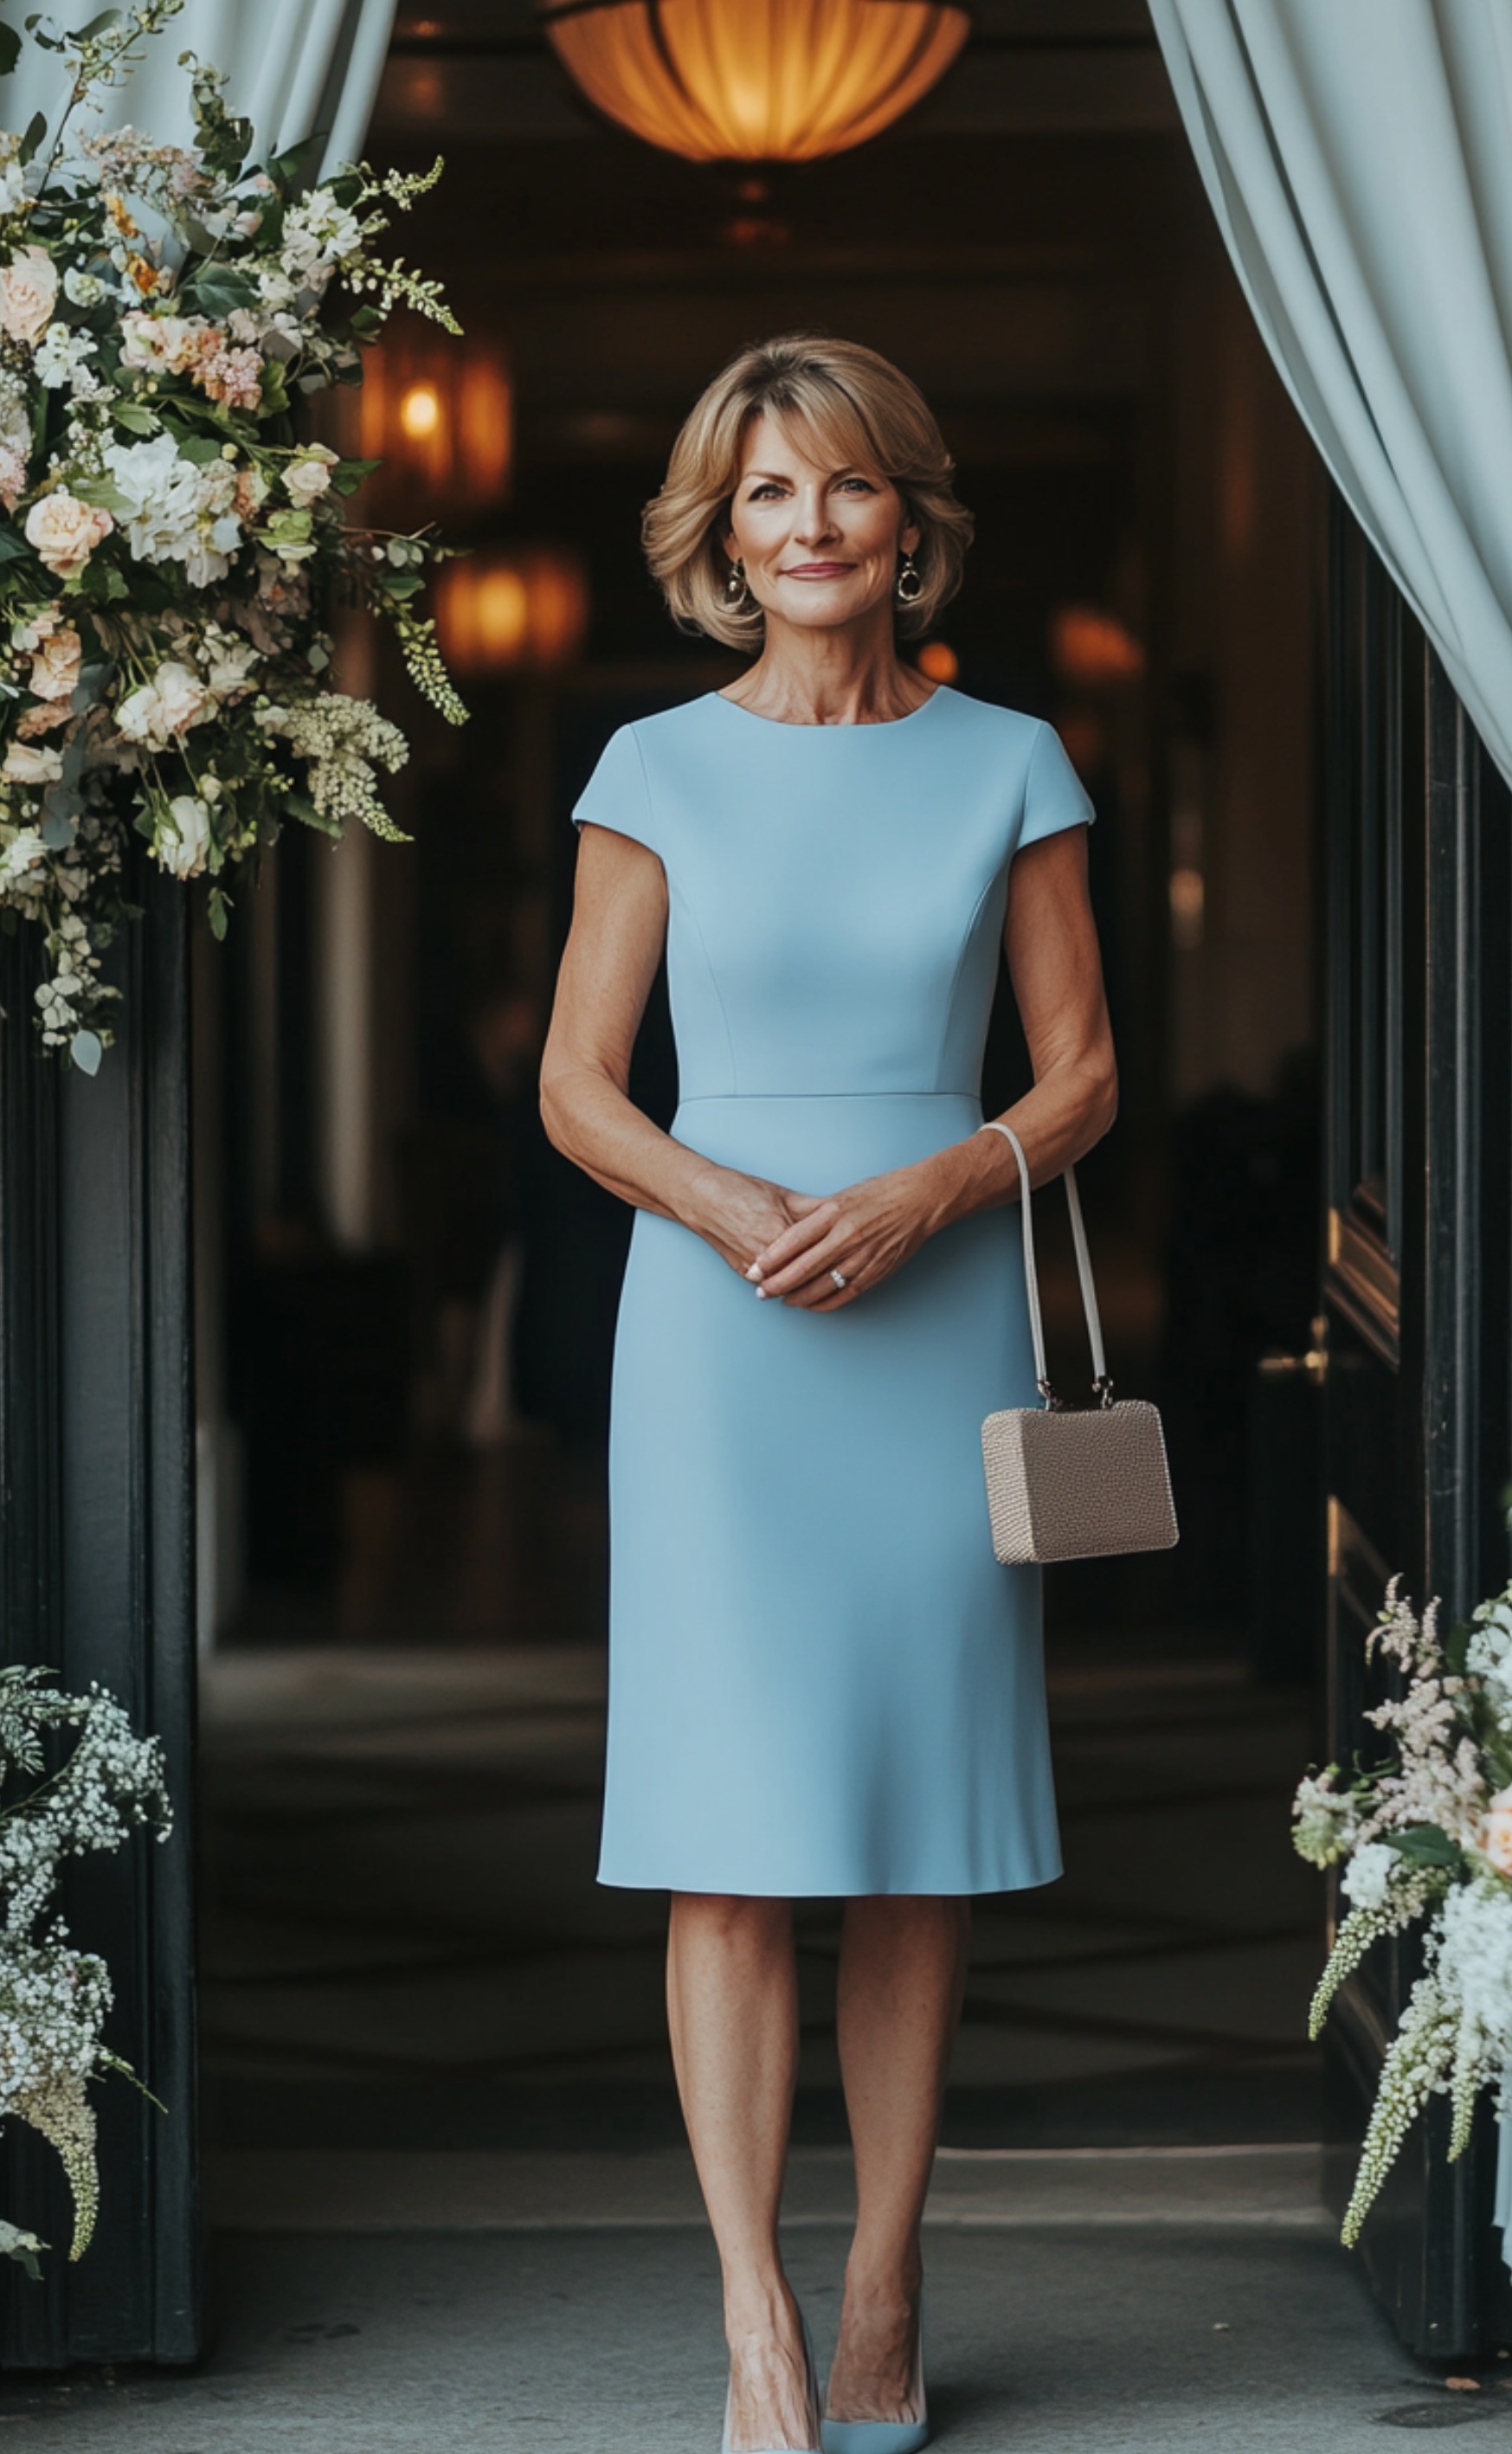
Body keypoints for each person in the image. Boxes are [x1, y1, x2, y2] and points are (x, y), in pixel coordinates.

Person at [540, 333, 1117, 2454]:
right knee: (726, 1843)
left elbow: (1082, 1075)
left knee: (910, 1841)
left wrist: (941, 1179)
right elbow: (575, 1085)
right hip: (717, 1343)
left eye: (846, 491)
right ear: (721, 532)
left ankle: (883, 2286)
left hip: (937, 1315)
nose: (808, 530)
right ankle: (753, 2319)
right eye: (768, 497)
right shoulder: (651, 769)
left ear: (907, 519)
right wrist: (724, 1202)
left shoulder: (1016, 762)